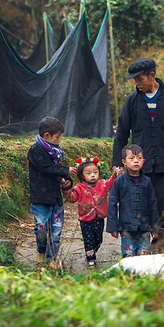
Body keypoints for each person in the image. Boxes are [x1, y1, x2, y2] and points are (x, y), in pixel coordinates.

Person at [111, 57, 164, 247]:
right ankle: (142, 243)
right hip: (140, 166)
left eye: (139, 79)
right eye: (134, 80)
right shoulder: (132, 101)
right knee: (140, 202)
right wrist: (117, 162)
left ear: (152, 75)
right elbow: (121, 133)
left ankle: (161, 240)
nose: (137, 84)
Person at [27, 115, 76, 269]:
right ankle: (41, 260)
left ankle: (52, 260)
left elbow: (56, 171)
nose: (58, 140)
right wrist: (64, 170)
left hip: (55, 198)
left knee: (56, 232)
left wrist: (66, 179)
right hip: (41, 198)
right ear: (46, 135)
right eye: (57, 137)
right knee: (41, 230)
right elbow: (45, 168)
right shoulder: (35, 150)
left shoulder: (55, 152)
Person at [63, 156, 121, 267]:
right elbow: (72, 198)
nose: (93, 175)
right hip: (85, 219)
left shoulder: (102, 184)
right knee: (88, 239)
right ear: (82, 176)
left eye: (95, 172)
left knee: (98, 239)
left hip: (99, 218)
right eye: (88, 173)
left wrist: (115, 175)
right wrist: (66, 189)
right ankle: (90, 258)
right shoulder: (79, 188)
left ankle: (93, 251)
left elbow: (110, 183)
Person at [106, 144, 160, 257]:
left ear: (143, 161)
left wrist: (155, 227)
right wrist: (113, 226)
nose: (136, 161)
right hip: (126, 228)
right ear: (124, 162)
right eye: (131, 158)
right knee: (128, 256)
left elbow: (152, 204)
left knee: (144, 256)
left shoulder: (147, 182)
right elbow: (112, 203)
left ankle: (143, 275)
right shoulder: (119, 182)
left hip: (144, 228)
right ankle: (129, 275)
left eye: (139, 158)